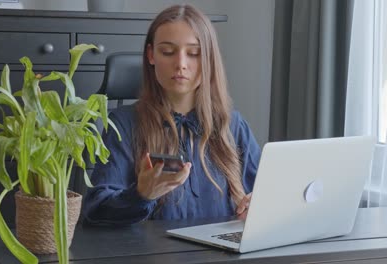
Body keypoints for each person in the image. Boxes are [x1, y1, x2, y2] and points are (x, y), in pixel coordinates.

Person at [83, 4, 261, 225]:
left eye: (194, 53)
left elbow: (268, 195)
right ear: (151, 55)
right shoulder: (124, 125)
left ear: (209, 59)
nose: (181, 64)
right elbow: (95, 211)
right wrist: (140, 194)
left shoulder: (233, 125)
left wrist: (257, 205)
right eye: (168, 52)